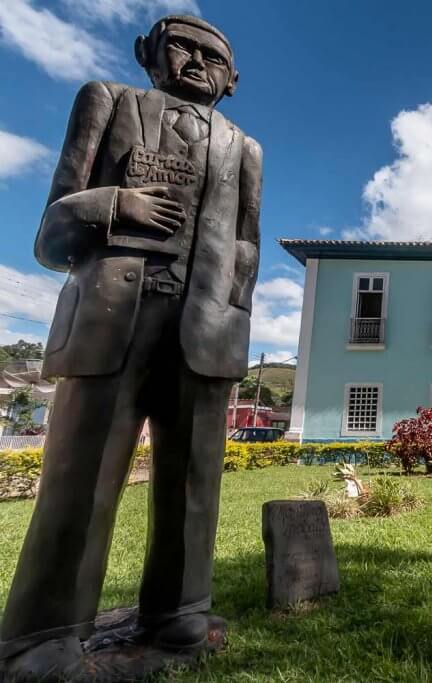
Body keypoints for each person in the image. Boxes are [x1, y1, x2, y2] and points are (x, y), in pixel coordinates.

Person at [0, 15, 261, 679]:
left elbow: (247, 241)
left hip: (204, 330)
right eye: (183, 46)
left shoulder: (245, 149)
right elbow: (50, 230)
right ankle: (46, 630)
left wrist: (233, 301)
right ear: (149, 52)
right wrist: (118, 206)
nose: (198, 62)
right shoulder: (107, 102)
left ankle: (179, 607)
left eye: (214, 57)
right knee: (82, 475)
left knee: (194, 478)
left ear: (232, 82)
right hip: (112, 318)